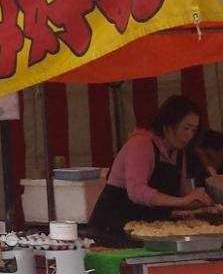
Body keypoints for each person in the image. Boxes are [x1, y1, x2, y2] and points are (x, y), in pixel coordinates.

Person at [88, 95, 211, 238]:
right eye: (186, 128)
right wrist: (183, 201)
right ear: (167, 124)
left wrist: (199, 204)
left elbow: (180, 194)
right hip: (112, 228)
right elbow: (137, 192)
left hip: (148, 230)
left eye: (194, 130)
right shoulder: (141, 144)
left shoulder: (179, 154)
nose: (189, 135)